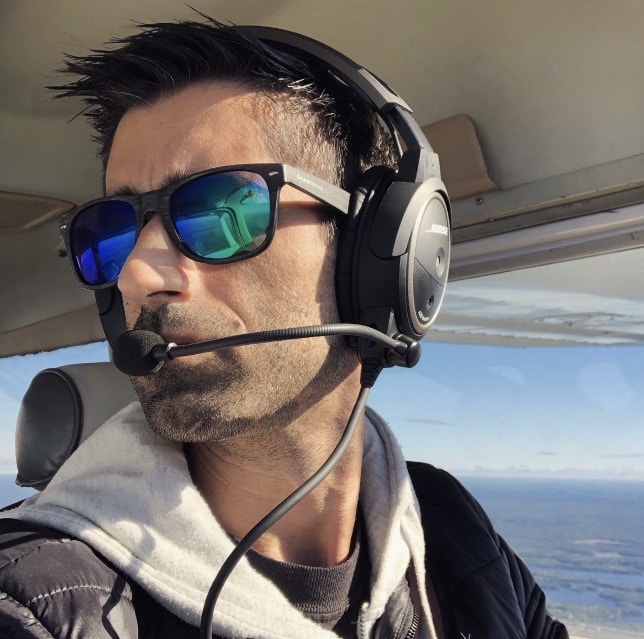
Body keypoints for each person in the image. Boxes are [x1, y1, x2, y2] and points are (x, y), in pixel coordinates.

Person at [0, 15, 568, 639]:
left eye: (221, 210)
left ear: (377, 255)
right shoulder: (36, 601)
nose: (135, 273)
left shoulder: (452, 530)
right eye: (111, 231)